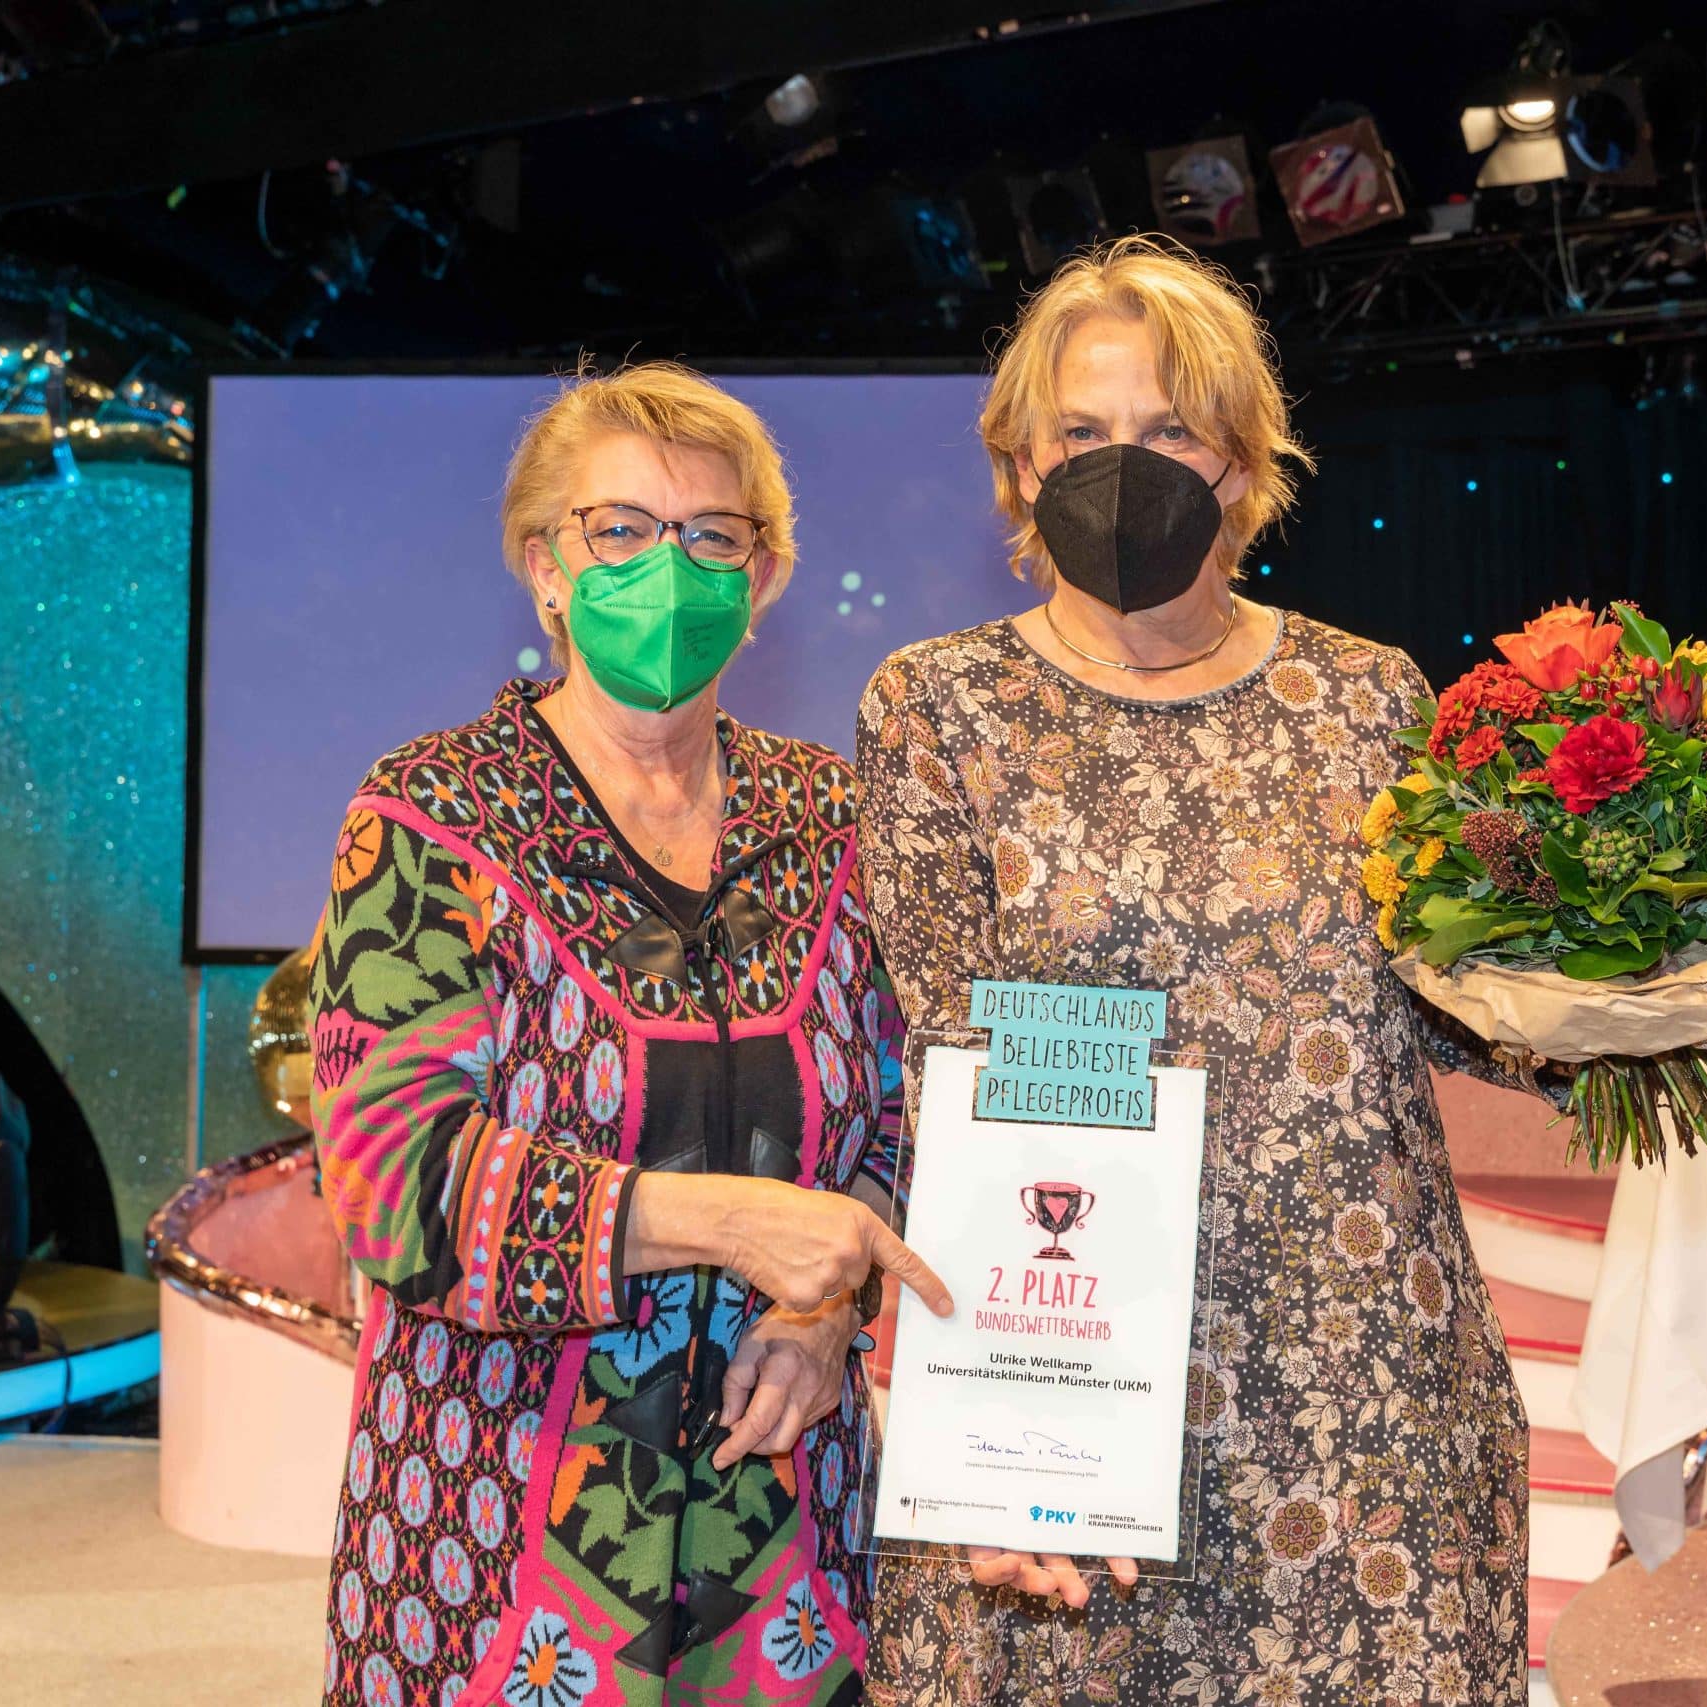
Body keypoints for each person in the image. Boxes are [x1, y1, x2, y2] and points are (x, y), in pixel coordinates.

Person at [855, 238, 1556, 1706]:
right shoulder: (940, 707)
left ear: (1242, 462)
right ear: (1018, 468)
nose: (1129, 463)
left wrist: (1627, 982)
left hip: (1364, 1367)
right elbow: (948, 1062)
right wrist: (985, 1413)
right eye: (1083, 432)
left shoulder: (1372, 698)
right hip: (1071, 1362)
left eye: (1170, 428)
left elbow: (1449, 1010)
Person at [308, 360, 951, 1707]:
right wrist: (722, 1220)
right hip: (492, 1556)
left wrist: (832, 1305)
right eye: (621, 530)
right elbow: (391, 1191)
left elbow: (896, 1115)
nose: (671, 565)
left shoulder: (831, 819)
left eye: (714, 536)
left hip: (789, 1551)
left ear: (762, 579)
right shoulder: (433, 814)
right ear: (543, 566)